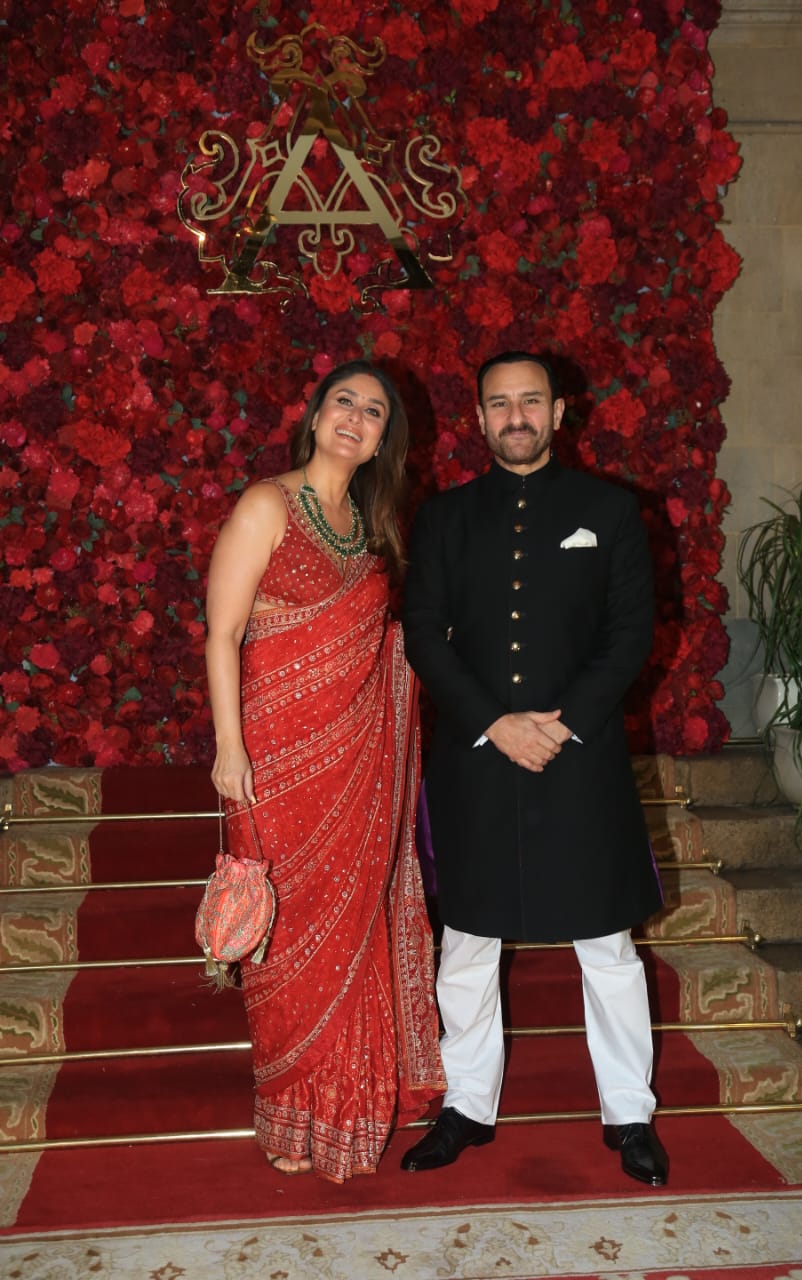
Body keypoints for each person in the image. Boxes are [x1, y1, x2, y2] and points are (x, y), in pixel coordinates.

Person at [400, 351, 668, 1186]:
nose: (514, 416)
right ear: (478, 418)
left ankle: (629, 1114)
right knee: (466, 943)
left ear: (558, 413)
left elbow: (629, 634)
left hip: (578, 756)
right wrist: (493, 723)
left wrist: (562, 725)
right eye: (498, 403)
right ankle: (466, 1107)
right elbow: (423, 634)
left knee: (606, 943)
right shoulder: (443, 518)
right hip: (476, 759)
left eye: (529, 401)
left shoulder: (609, 511)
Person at [205, 359, 444, 1183]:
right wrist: (229, 746)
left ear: (383, 439)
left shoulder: (373, 526)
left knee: (350, 933)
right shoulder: (266, 505)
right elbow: (222, 633)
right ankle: (285, 1105)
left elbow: (382, 642)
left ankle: (342, 1111)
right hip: (272, 758)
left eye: (373, 411)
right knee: (284, 943)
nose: (355, 417)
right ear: (314, 417)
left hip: (355, 763)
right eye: (343, 401)